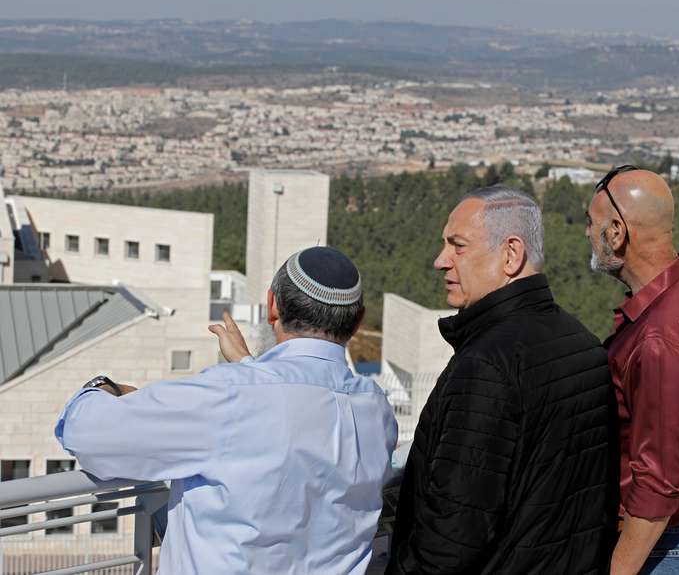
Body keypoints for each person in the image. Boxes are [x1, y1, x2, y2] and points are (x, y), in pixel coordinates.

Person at [55, 247, 398, 575]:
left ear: (272, 305)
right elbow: (305, 443)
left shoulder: (231, 395)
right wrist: (249, 368)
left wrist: (105, 387)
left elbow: (85, 434)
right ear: (357, 322)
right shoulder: (377, 409)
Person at [387, 186, 615, 574]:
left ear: (511, 253)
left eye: (457, 246)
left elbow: (452, 535)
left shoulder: (487, 366)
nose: (441, 261)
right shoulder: (583, 343)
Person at [586, 166, 679, 574]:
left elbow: (657, 483)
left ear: (617, 232)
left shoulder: (660, 339)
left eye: (590, 222)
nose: (586, 233)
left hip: (660, 547)